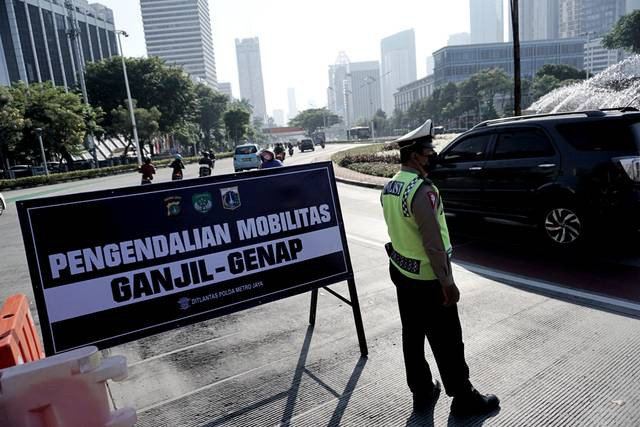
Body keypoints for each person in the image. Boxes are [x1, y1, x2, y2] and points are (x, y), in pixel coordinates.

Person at [380, 119, 499, 416]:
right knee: (448, 340)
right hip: (428, 277)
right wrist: (447, 282)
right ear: (414, 156)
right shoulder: (421, 191)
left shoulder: (391, 187)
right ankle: (464, 398)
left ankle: (422, 391)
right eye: (428, 151)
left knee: (413, 333)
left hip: (401, 271)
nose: (432, 156)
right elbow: (433, 243)